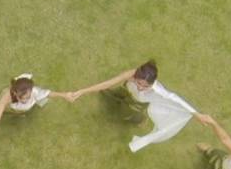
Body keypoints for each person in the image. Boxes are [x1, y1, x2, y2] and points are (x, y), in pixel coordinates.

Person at [68, 61, 199, 153]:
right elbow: (107, 83)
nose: (141, 87)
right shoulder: (130, 74)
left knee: (125, 112)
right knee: (115, 93)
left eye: (145, 86)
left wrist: (197, 114)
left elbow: (177, 100)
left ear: (152, 83)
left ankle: (140, 120)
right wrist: (82, 91)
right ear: (136, 76)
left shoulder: (159, 90)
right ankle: (115, 98)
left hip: (138, 102)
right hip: (127, 91)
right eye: (139, 83)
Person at [0, 74, 68, 153]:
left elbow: (49, 93)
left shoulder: (34, 91)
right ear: (15, 93)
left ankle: (20, 113)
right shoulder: (6, 97)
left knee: (21, 111)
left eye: (28, 97)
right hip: (12, 108)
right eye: (22, 98)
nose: (25, 100)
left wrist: (65, 95)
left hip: (20, 109)